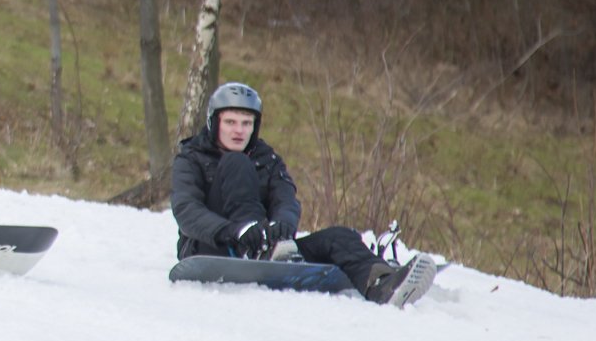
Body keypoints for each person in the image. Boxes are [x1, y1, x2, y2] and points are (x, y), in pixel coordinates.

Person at [170, 81, 429, 305]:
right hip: (214, 246)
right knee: (236, 163)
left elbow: (286, 199)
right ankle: (259, 247)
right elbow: (187, 211)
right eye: (230, 122)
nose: (239, 131)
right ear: (214, 123)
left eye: (246, 123)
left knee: (339, 237)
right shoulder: (192, 158)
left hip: (273, 250)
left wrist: (282, 226)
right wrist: (241, 231)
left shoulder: (267, 158)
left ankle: (382, 284)